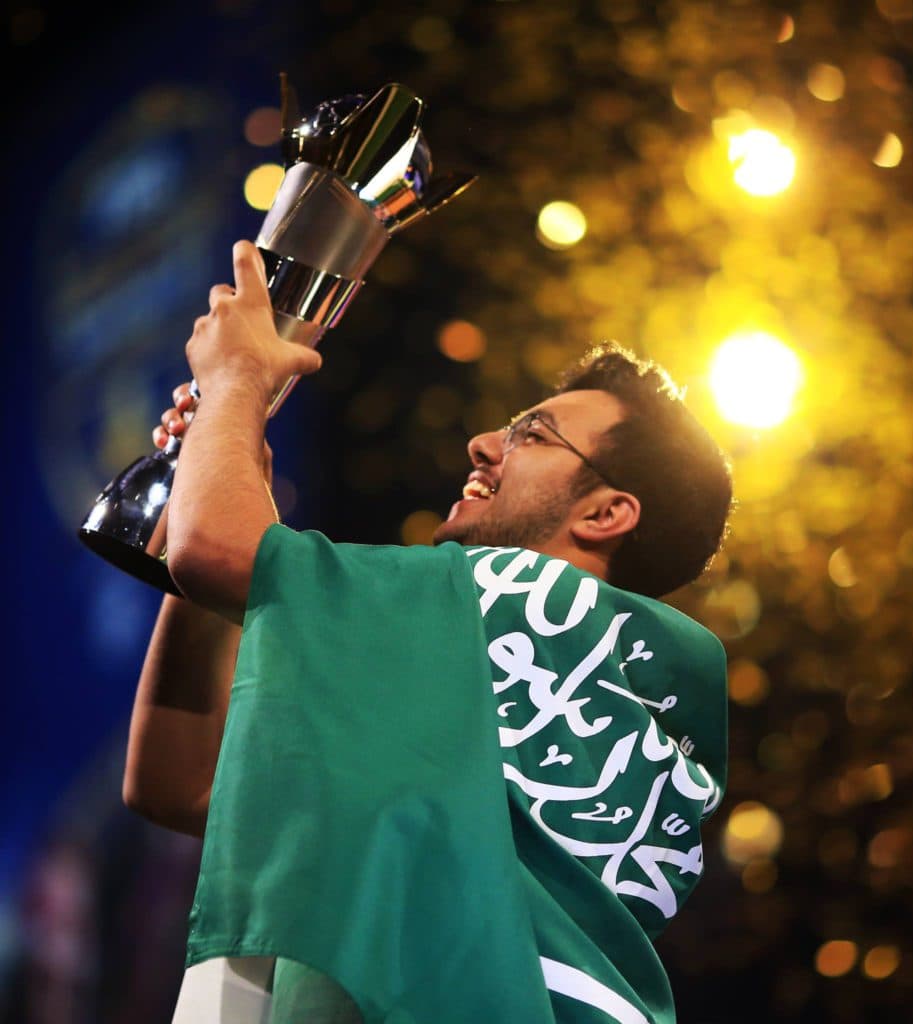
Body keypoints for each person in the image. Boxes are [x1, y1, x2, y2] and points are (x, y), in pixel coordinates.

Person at [123, 240, 734, 1024]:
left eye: (534, 437)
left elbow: (211, 549)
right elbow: (181, 784)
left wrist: (234, 380)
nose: (484, 445)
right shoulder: (535, 695)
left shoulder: (503, 596)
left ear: (605, 513)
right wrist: (227, 478)